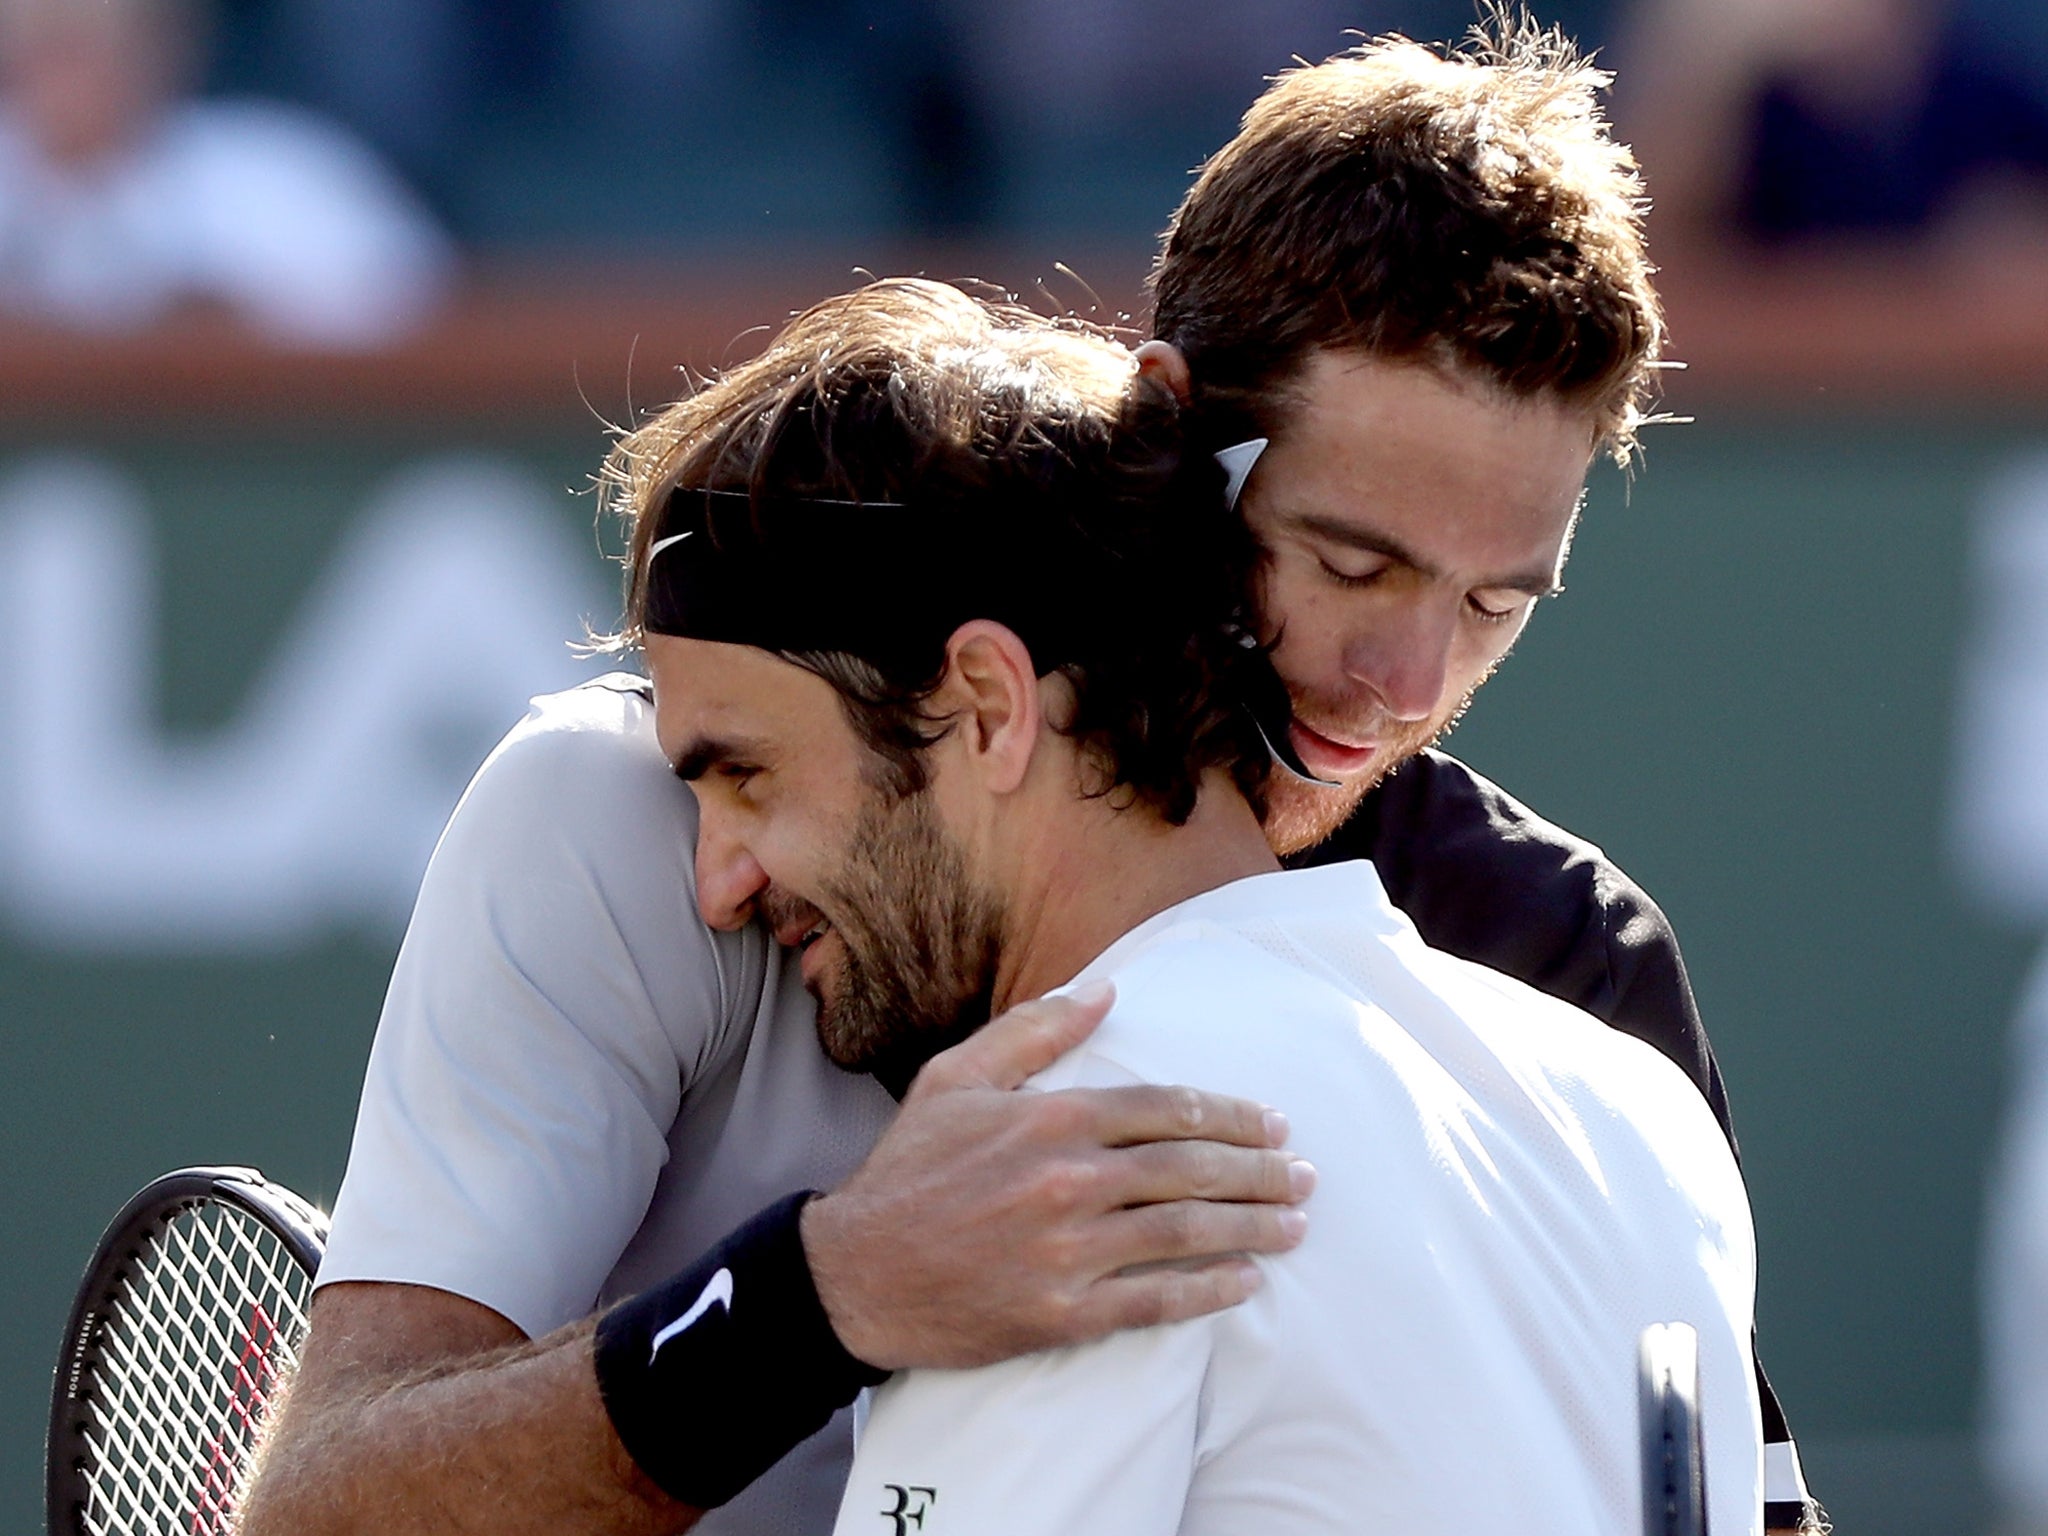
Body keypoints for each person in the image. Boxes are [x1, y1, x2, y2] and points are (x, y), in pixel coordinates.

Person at [244, 19, 1819, 1536]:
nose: (1406, 684)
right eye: (1348, 562)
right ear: (1165, 445)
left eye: (1493, 606)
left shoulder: (1568, 981)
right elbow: (324, 1515)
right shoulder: (618, 826)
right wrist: (830, 1292)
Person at [607, 275, 1762, 1533]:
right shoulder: (1638, 1114)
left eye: (747, 776)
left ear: (988, 708)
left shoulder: (1055, 1171)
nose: (718, 878)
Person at [0, 0, 452, 346]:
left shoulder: (269, 172)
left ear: (161, 51)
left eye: (85, 50)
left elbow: (415, 301)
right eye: (44, 49)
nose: (66, 81)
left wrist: (230, 316)